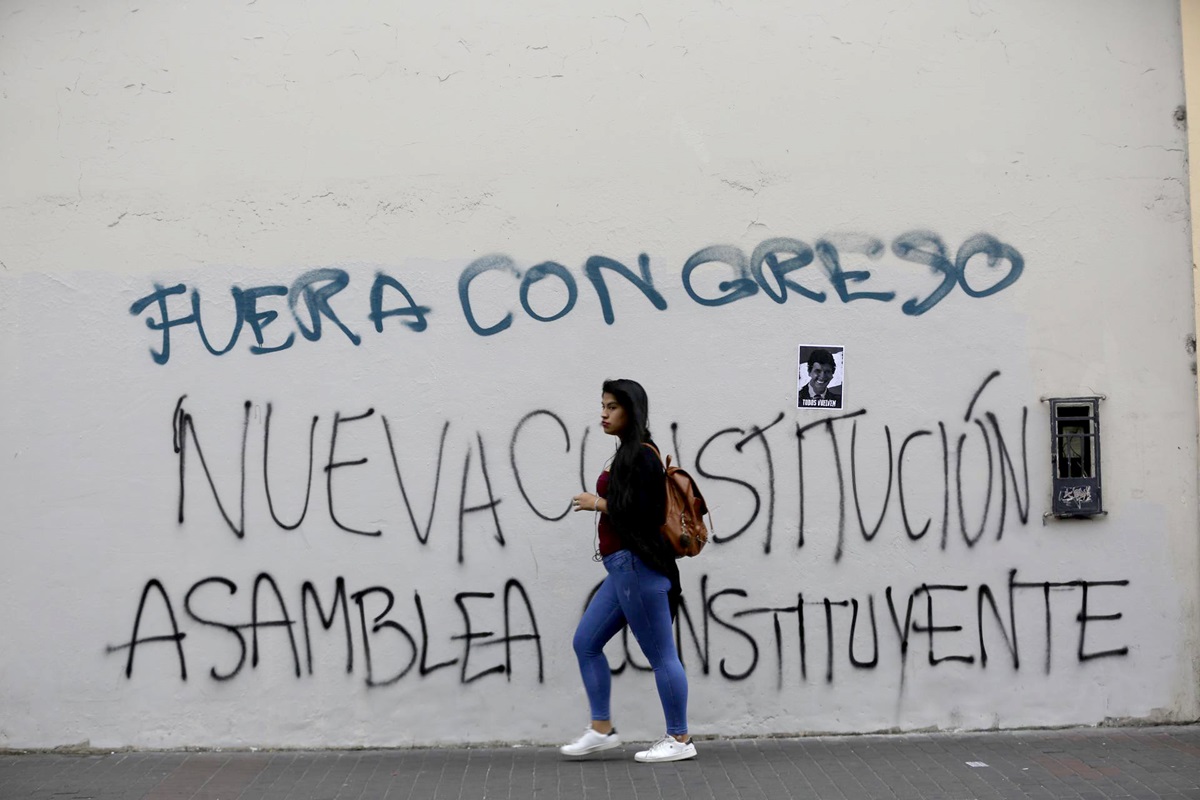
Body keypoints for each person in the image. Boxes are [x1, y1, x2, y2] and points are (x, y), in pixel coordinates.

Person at [559, 378, 696, 764]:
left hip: (639, 567)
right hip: (622, 570)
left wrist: (597, 502)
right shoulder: (628, 453)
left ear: (630, 411)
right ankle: (601, 729)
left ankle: (679, 738)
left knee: (661, 656)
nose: (603, 414)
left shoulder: (643, 457)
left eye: (612, 407)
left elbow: (647, 513)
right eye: (602, 405)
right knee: (585, 642)